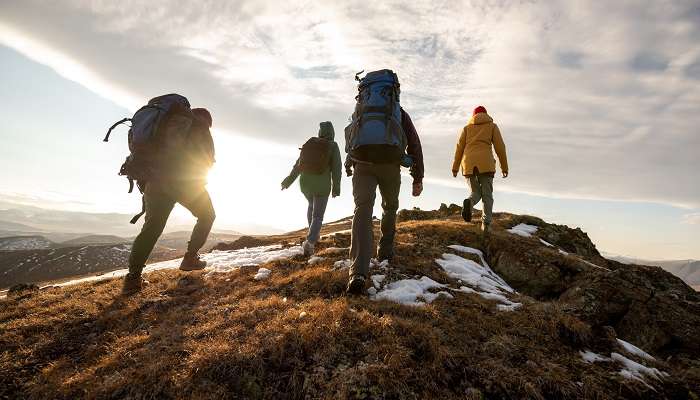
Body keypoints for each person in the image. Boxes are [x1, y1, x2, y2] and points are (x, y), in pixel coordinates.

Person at [344, 69, 424, 295]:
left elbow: (352, 136)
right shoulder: (398, 113)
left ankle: (358, 272)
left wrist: (349, 163)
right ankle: (385, 251)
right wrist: (417, 177)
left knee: (362, 210)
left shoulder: (361, 110)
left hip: (362, 164)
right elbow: (414, 145)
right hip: (390, 166)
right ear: (394, 92)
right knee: (389, 206)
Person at [122, 107, 216, 295]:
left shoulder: (161, 126)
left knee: (151, 228)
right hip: (184, 182)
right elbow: (207, 159)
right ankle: (190, 259)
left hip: (153, 182)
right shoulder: (199, 126)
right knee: (207, 215)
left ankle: (133, 278)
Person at [281, 121, 342, 256]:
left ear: (320, 132)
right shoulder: (332, 145)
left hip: (305, 183)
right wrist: (336, 188)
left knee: (311, 206)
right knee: (318, 215)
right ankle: (310, 242)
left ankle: (312, 234)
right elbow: (337, 169)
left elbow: (298, 165)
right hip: (322, 185)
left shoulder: (310, 144)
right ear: (332, 133)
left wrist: (288, 181)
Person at [451, 105, 508, 232]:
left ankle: (469, 203)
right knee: (487, 194)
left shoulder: (466, 128)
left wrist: (455, 167)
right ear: (486, 114)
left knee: (475, 192)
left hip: (468, 164)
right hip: (485, 164)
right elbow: (500, 147)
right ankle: (486, 224)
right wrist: (504, 167)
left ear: (473, 116)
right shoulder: (492, 126)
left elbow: (459, 149)